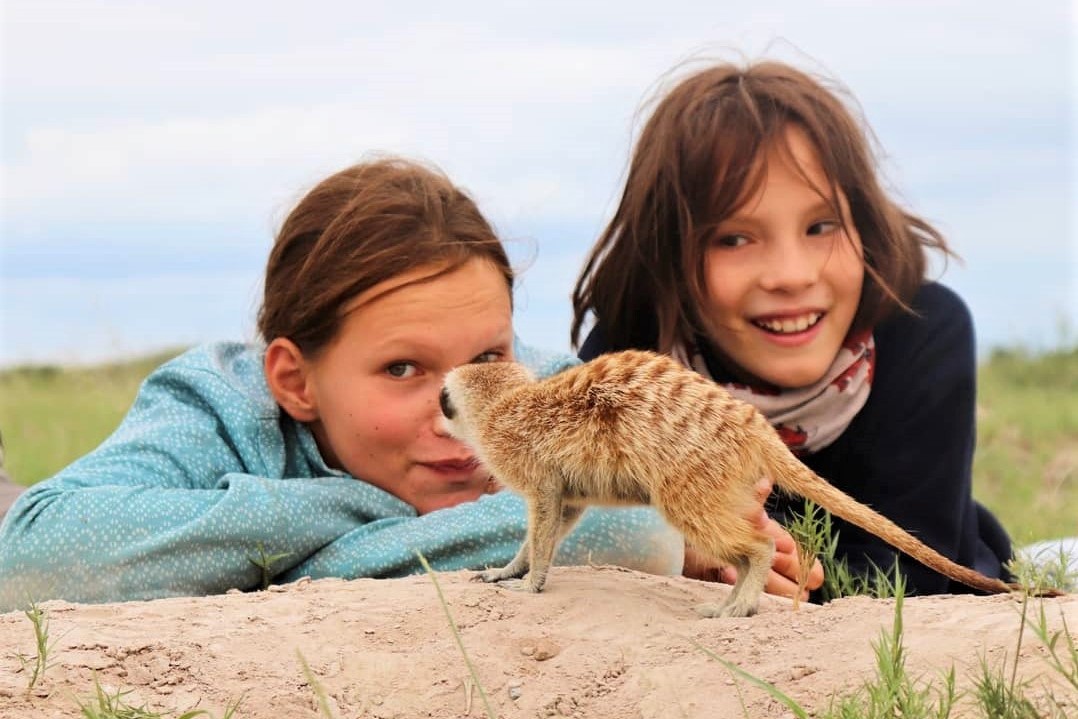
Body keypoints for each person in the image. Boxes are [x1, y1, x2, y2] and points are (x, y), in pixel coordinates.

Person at [0, 157, 695, 611]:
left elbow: (638, 524)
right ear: (295, 380)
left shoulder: (533, 391)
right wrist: (344, 507)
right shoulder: (212, 404)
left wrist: (264, 571)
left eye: (487, 355)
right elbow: (32, 554)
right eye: (402, 369)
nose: (464, 413)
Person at [570, 59, 1015, 598]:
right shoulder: (628, 359)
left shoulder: (918, 330)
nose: (792, 275)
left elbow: (922, 577)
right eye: (734, 238)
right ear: (668, 255)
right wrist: (685, 554)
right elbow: (594, 532)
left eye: (820, 226)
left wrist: (782, 584)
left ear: (864, 225)